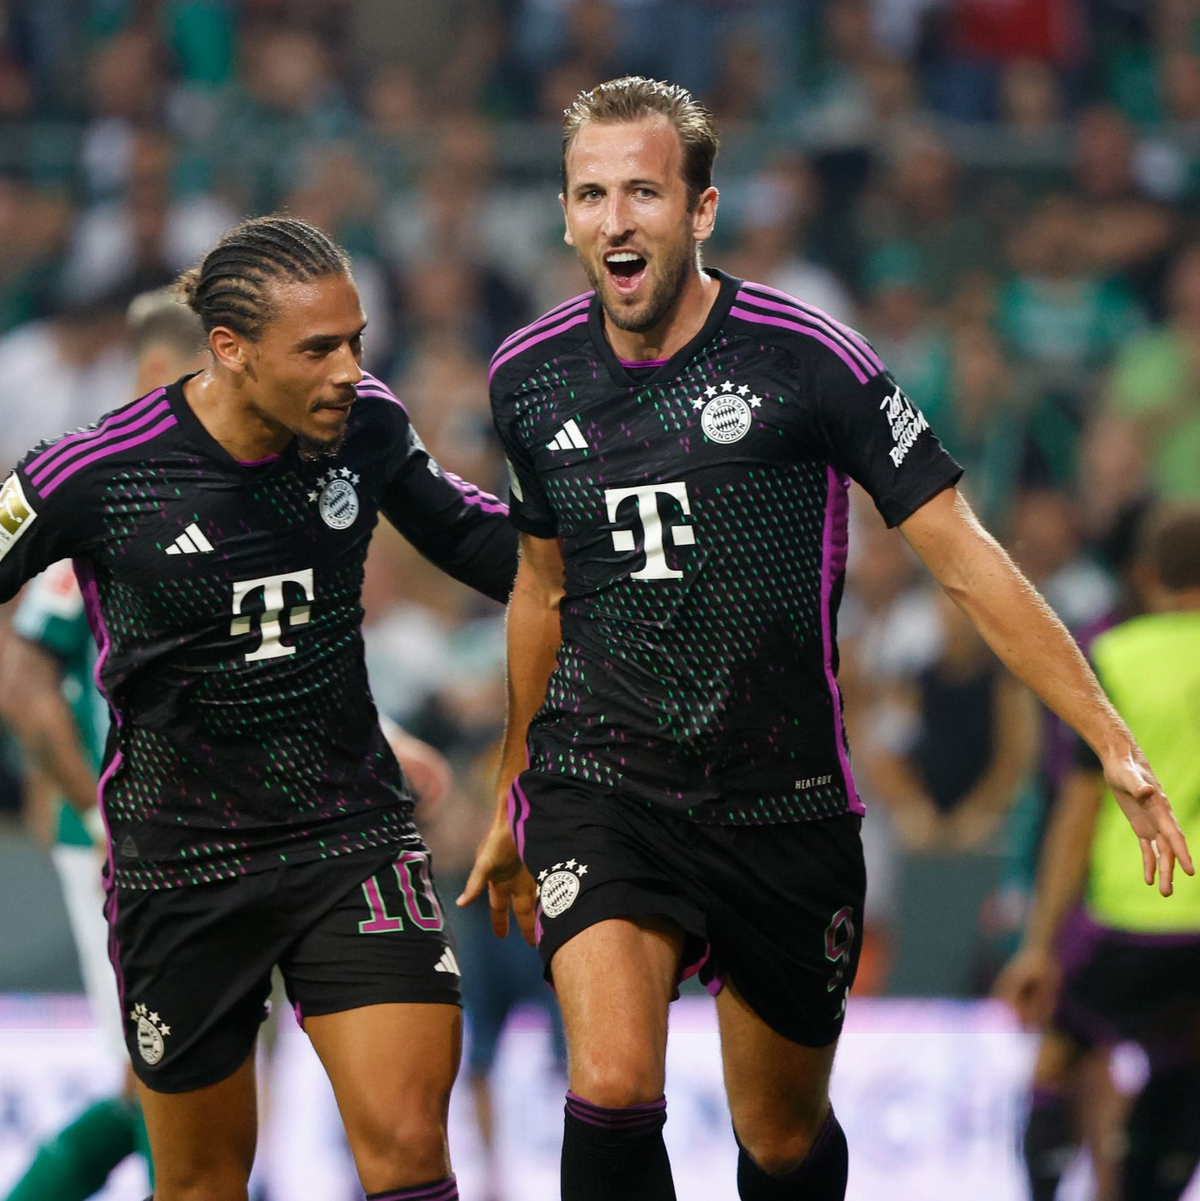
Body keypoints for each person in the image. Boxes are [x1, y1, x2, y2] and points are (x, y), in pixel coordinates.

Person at [458, 76, 1191, 1201]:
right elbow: (539, 586)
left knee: (784, 1137)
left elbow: (963, 554)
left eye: (644, 192)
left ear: (701, 211)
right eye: (591, 194)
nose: (616, 220)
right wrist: (514, 785)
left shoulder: (807, 358)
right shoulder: (526, 376)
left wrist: (1107, 733)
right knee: (608, 1083)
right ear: (563, 214)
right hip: (605, 779)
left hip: (781, 798)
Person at [0, 215, 517, 1201]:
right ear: (229, 351)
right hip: (181, 862)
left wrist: (626, 551)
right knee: (199, 1183)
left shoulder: (366, 427)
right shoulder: (97, 470)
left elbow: (486, 544)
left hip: (350, 838)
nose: (348, 370)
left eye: (356, 340)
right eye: (318, 348)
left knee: (411, 1150)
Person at [0, 287, 206, 1201]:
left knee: (181, 1076)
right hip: (127, 851)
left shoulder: (218, 486)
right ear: (164, 371)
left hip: (215, 840)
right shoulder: (96, 491)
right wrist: (94, 805)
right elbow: (22, 681)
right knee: (168, 1080)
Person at [995, 504, 1200, 1201]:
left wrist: (1038, 945)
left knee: (1057, 1057)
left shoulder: (1111, 658)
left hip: (1130, 914)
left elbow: (1077, 814)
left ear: (1146, 577)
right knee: (1183, 1067)